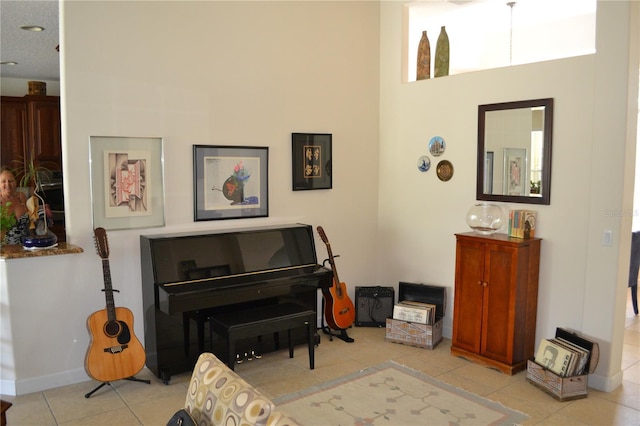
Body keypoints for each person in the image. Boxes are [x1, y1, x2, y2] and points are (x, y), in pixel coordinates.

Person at [0, 167, 29, 244]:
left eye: (10, 181)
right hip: (4, 247)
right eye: (3, 181)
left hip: (26, 245)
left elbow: (31, 221)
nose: (7, 184)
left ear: (15, 182)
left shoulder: (22, 197)